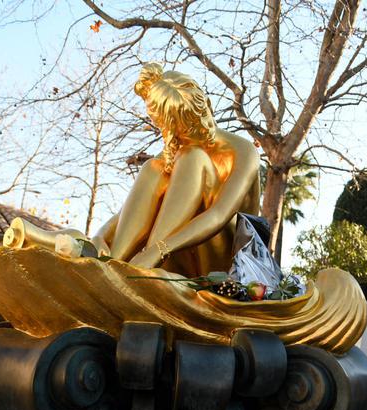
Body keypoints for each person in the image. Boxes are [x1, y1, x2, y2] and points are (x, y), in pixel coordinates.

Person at [92, 63, 261, 276]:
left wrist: (157, 250)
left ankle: (145, 271)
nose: (199, 135)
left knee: (193, 157)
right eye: (184, 134)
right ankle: (112, 264)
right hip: (175, 251)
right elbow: (130, 211)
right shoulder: (181, 150)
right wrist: (100, 236)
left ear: (207, 104)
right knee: (154, 167)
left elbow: (219, 215)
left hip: (226, 259)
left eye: (200, 122)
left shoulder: (244, 151)